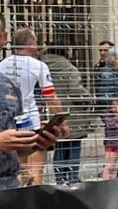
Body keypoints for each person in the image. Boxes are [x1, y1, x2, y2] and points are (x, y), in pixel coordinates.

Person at [0, 27, 61, 187]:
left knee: (22, 169)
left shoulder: (4, 69)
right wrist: (60, 117)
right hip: (31, 119)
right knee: (36, 171)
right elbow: (50, 96)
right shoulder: (38, 66)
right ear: (32, 44)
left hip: (12, 125)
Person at [42, 44, 89, 186]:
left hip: (52, 114)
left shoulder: (42, 66)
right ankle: (72, 178)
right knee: (74, 147)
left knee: (59, 148)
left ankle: (60, 178)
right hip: (71, 115)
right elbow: (77, 92)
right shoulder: (69, 68)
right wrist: (88, 99)